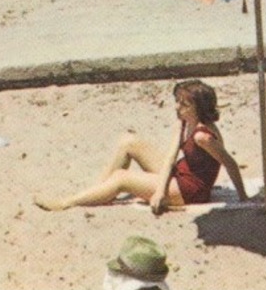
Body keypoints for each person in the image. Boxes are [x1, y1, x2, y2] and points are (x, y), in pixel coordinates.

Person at [35, 80, 246, 212]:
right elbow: (171, 157)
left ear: (198, 108)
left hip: (191, 190)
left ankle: (67, 203)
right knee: (129, 142)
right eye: (178, 101)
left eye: (184, 104)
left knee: (121, 178)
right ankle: (98, 192)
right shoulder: (185, 121)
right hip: (180, 174)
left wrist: (243, 197)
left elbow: (230, 163)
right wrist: (161, 188)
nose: (177, 107)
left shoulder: (202, 136)